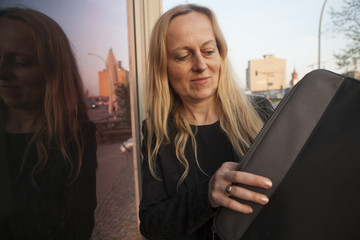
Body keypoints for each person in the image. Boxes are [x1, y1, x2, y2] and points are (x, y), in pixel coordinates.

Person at [139, 4, 274, 240]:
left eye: (209, 51)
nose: (201, 65)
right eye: (183, 56)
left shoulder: (260, 111)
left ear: (220, 54)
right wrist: (207, 196)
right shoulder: (157, 132)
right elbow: (151, 225)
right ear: (163, 67)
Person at [0, 7, 97, 239]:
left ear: (53, 71)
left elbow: (77, 229)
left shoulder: (75, 137)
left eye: (20, 61)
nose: (2, 72)